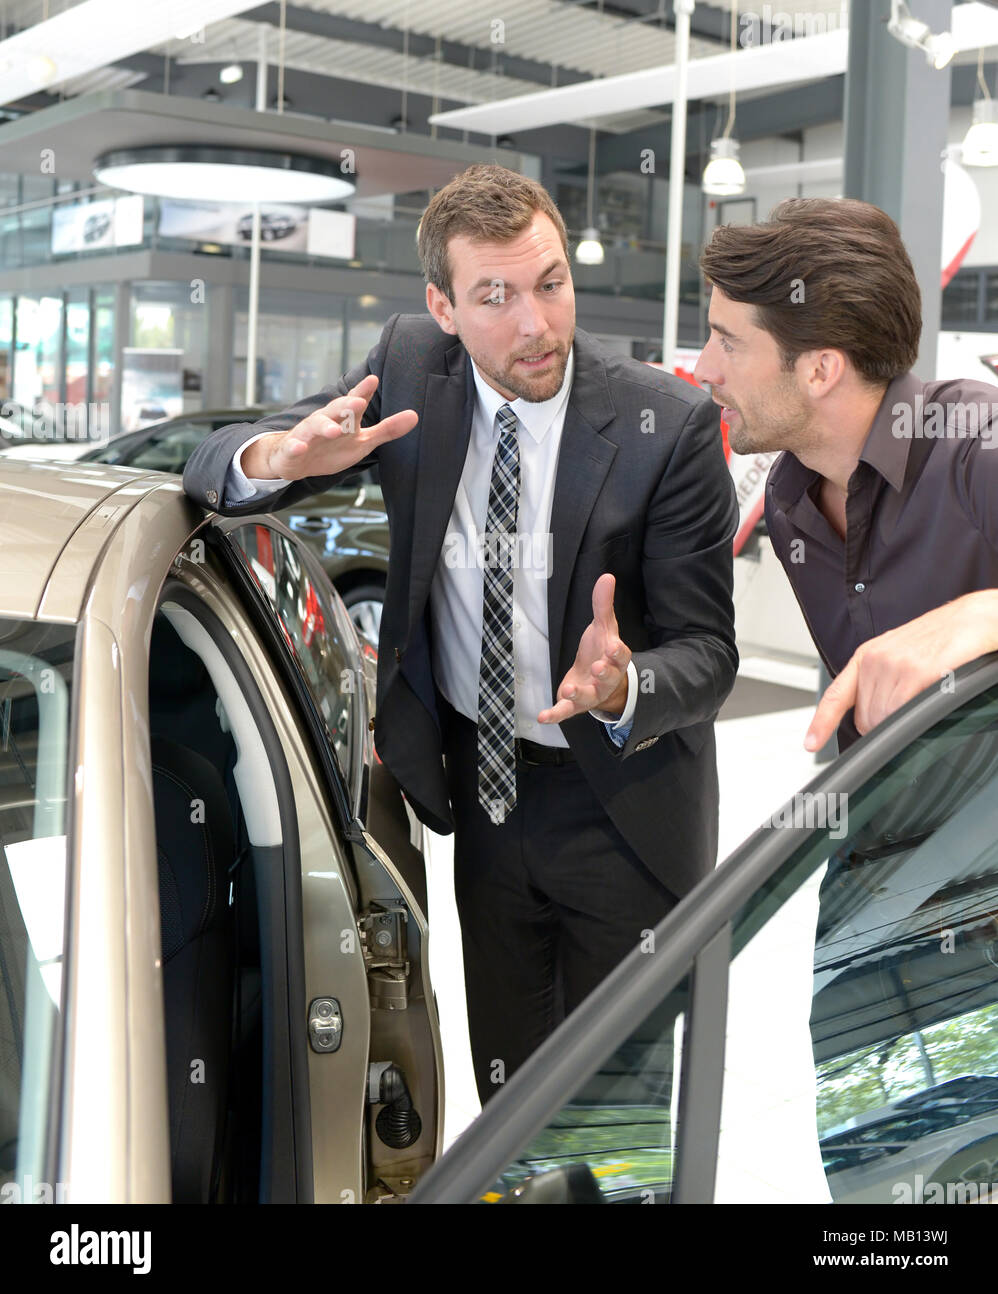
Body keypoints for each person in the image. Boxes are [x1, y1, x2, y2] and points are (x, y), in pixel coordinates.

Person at [184, 163, 738, 1104]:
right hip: (486, 795)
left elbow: (710, 655)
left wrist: (626, 684)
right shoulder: (407, 366)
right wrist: (276, 456)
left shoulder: (667, 423)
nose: (536, 323)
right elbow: (225, 465)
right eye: (496, 296)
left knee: (619, 1115)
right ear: (442, 305)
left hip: (625, 804)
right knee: (509, 1094)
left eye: (551, 283)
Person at [695, 196, 998, 758]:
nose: (703, 369)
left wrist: (983, 614)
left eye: (728, 343)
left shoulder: (977, 444)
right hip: (882, 834)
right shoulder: (791, 501)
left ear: (820, 370)